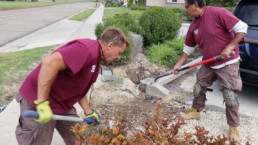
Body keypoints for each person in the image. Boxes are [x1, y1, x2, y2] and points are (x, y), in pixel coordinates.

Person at [15, 27, 129, 145]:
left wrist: (88, 112)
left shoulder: (96, 57)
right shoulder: (86, 49)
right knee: (39, 141)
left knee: (78, 138)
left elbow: (79, 88)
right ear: (110, 46)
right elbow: (49, 62)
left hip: (61, 103)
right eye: (119, 52)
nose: (119, 57)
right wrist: (42, 102)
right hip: (37, 99)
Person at [172, 0, 247, 142]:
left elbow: (242, 27)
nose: (185, 10)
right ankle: (196, 111)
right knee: (198, 87)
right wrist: (178, 64)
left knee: (229, 94)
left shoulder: (218, 13)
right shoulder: (194, 24)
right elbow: (188, 47)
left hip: (228, 62)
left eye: (187, 7)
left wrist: (229, 47)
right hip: (209, 62)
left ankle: (233, 126)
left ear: (195, 4)